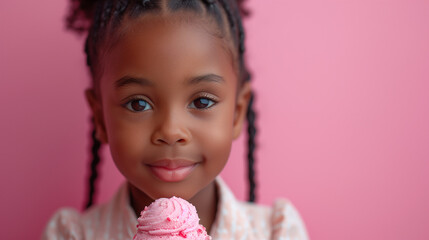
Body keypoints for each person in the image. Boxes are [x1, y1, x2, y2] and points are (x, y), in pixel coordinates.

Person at [42, 0, 309, 239]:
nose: (170, 131)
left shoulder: (277, 231)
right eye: (138, 104)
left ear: (237, 114)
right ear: (100, 118)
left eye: (201, 101)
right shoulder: (69, 234)